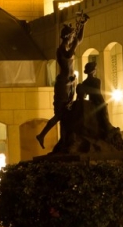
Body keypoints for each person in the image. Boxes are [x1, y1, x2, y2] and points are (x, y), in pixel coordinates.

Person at [36, 12, 89, 148]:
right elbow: (71, 51)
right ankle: (42, 135)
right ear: (67, 37)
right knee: (60, 114)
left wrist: (82, 25)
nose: (73, 38)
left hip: (71, 83)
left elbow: (79, 39)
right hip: (63, 85)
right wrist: (76, 41)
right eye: (71, 36)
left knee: (68, 113)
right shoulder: (61, 50)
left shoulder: (68, 46)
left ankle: (68, 138)